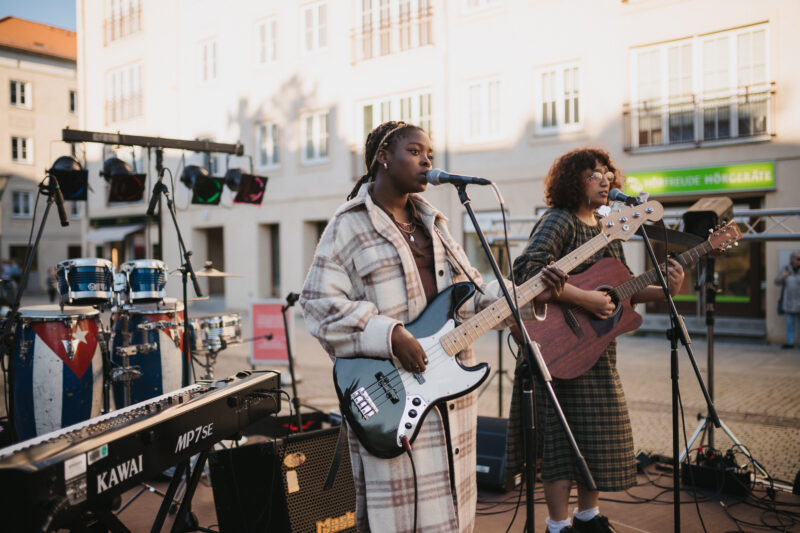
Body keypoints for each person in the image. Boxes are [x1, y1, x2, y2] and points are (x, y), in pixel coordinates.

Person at [300, 120, 566, 533]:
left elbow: (472, 296)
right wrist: (389, 334)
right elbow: (317, 305)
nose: (427, 160)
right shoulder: (348, 225)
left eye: (431, 154)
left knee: (451, 516)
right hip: (389, 395)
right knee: (400, 518)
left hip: (447, 393)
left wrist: (531, 295)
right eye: (415, 151)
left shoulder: (435, 225)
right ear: (382, 157)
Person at [510, 148, 685, 533]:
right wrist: (584, 298)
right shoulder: (558, 220)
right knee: (559, 445)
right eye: (593, 173)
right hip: (557, 348)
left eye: (607, 172)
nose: (605, 179)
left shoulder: (610, 228)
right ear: (573, 181)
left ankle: (588, 518)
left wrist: (667, 290)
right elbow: (529, 273)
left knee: (595, 438)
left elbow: (622, 291)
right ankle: (558, 525)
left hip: (597, 351)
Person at [774, 250, 800, 349]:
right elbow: (776, 281)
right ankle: (790, 343)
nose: (799, 261)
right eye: (798, 258)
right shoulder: (786, 269)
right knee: (790, 324)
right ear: (793, 259)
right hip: (789, 302)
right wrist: (783, 277)